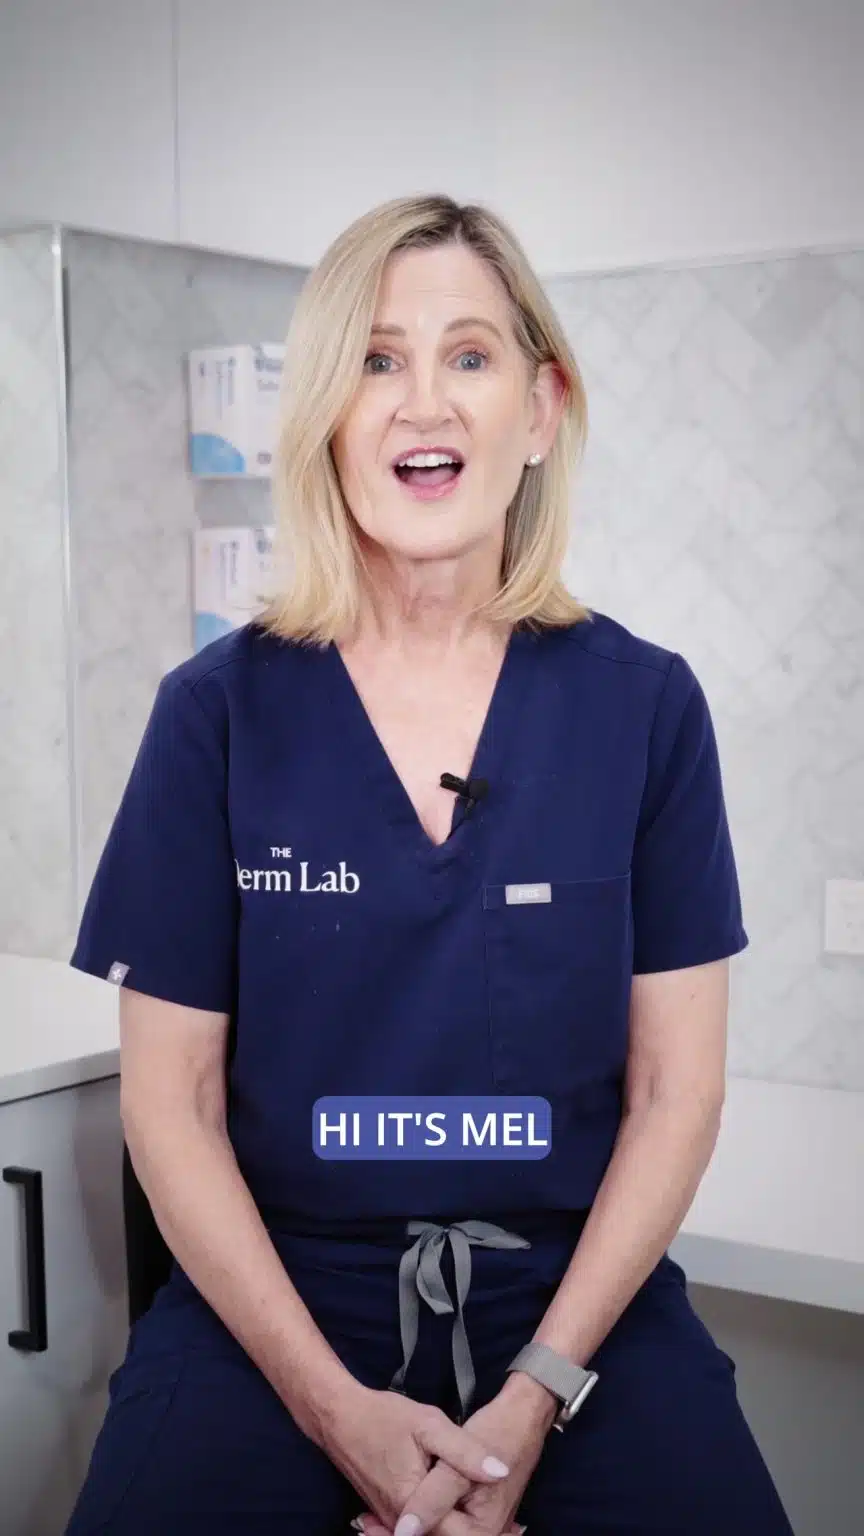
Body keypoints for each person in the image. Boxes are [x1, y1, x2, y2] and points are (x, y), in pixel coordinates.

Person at [65, 193, 794, 1536]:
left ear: (542, 407)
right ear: (325, 417)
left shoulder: (644, 709)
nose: (424, 403)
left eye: (469, 355)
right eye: (377, 360)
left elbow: (674, 1091)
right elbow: (174, 1105)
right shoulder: (215, 716)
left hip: (576, 1306)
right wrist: (332, 1408)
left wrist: (537, 1392)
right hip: (277, 1302)